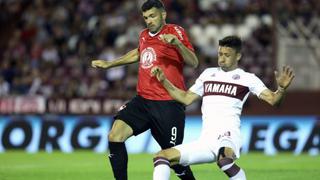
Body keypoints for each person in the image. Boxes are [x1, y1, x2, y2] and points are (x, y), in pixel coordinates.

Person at [151, 35, 295, 180]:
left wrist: (281, 89)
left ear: (238, 56)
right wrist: (164, 81)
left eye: (227, 55)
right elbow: (185, 98)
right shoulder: (208, 74)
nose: (222, 58)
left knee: (224, 160)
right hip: (206, 141)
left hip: (229, 136)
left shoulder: (247, 78)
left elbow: (273, 100)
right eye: (220, 54)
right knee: (161, 156)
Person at [91, 0, 198, 179]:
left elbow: (194, 62)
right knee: (115, 136)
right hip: (143, 101)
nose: (149, 20)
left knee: (174, 160)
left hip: (168, 105)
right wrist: (110, 64)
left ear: (163, 14)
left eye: (152, 16)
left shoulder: (175, 32)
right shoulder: (143, 34)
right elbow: (139, 52)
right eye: (146, 17)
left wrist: (178, 44)